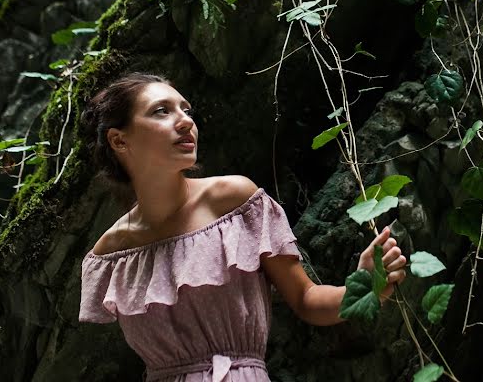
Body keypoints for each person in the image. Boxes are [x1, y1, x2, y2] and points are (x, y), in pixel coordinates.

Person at [78, 73, 407, 382]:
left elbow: (306, 299)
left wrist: (362, 289)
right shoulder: (111, 254)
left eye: (187, 110)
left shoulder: (235, 200)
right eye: (161, 111)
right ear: (119, 140)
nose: (185, 121)